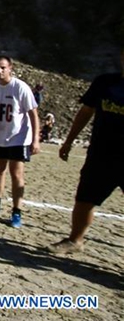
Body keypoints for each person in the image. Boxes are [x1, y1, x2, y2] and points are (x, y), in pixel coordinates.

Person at [48, 45, 124, 254]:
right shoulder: (105, 83)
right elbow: (85, 112)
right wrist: (68, 141)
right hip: (101, 155)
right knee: (85, 200)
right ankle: (75, 240)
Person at [0, 56, 40, 228]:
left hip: (18, 137)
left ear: (10, 68)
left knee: (16, 174)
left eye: (3, 67)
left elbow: (33, 114)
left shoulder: (20, 87)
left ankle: (16, 212)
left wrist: (36, 139)